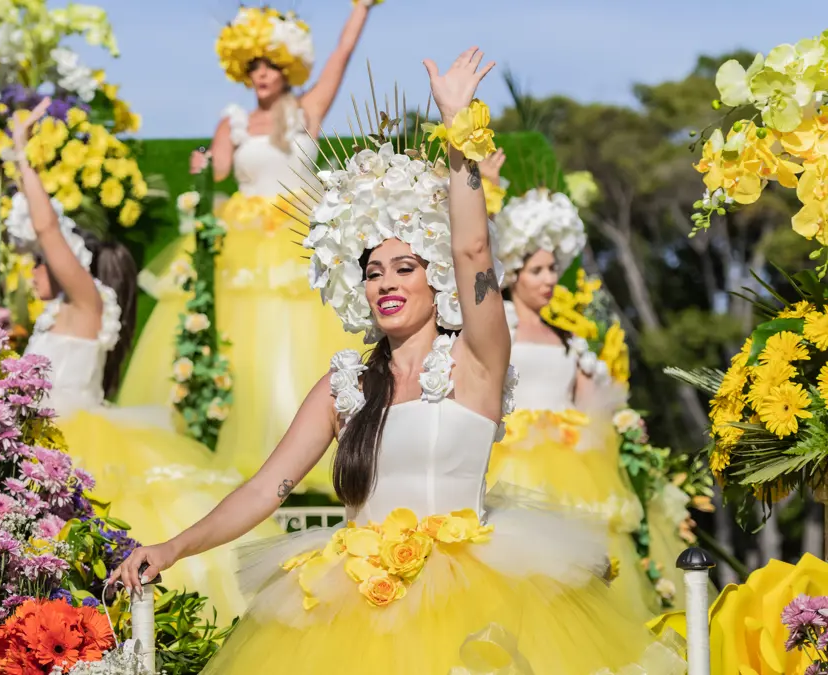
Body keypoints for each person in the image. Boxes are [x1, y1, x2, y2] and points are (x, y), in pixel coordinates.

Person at [109, 49, 684, 674]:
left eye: (404, 268)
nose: (385, 282)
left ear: (434, 277)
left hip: (474, 603)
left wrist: (458, 125)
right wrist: (173, 546)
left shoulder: (478, 361)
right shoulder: (344, 386)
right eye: (373, 271)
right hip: (352, 609)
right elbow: (264, 489)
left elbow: (471, 248)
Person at [8, 98, 280, 620]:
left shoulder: (87, 304)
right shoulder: (51, 316)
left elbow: (47, 230)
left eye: (43, 263)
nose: (35, 271)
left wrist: (24, 157)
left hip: (78, 442)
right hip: (41, 441)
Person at [118, 2, 379, 493]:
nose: (262, 74)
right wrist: (200, 162)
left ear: (287, 69)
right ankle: (236, 451)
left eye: (271, 65)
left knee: (296, 334)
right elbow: (214, 171)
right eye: (254, 66)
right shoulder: (233, 120)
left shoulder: (307, 110)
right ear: (244, 72)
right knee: (238, 339)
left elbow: (342, 56)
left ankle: (311, 445)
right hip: (240, 236)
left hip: (297, 234)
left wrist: (360, 10)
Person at [487, 171, 690, 611]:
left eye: (552, 269)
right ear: (514, 274)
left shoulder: (569, 340)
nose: (547, 279)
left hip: (574, 460)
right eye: (536, 270)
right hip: (513, 457)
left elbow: (593, 402)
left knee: (589, 556)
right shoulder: (499, 327)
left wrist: (619, 425)